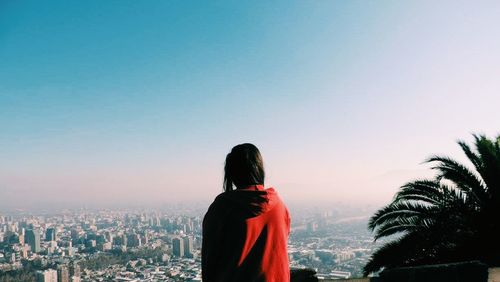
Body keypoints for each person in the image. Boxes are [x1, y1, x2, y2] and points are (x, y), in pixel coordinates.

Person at [202, 143, 291, 282]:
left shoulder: (223, 207)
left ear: (231, 172)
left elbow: (210, 259)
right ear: (260, 169)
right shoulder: (280, 206)